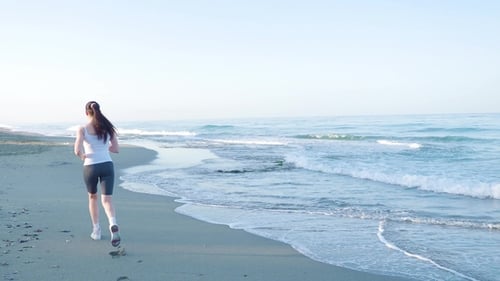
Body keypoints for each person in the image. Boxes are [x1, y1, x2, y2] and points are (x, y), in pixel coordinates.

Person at [73, 101, 121, 247]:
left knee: (93, 197)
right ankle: (113, 224)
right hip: (107, 165)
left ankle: (96, 231)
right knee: (107, 200)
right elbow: (116, 149)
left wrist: (82, 156)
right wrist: (104, 148)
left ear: (86, 112)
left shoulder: (82, 128)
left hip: (91, 167)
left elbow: (77, 150)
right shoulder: (107, 128)